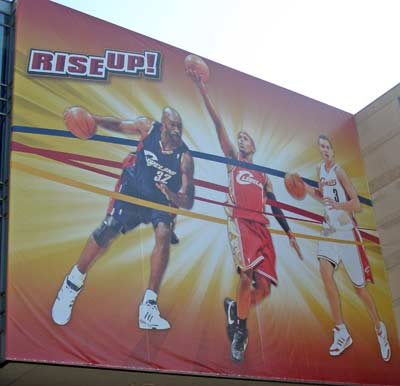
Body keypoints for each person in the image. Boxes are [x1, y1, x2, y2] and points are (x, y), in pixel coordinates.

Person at [188, 71, 303, 362]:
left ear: (253, 146)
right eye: (238, 137)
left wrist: (289, 233)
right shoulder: (233, 162)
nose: (240, 139)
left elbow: (275, 206)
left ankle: (234, 310)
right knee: (246, 275)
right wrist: (202, 89)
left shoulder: (263, 175)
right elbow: (218, 124)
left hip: (262, 227)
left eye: (245, 137)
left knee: (263, 290)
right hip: (240, 221)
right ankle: (241, 330)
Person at [52, 106, 195, 330]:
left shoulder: (184, 157)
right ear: (164, 125)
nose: (178, 130)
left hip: (160, 198)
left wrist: (171, 194)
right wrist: (93, 119)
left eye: (180, 126)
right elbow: (119, 124)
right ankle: (72, 283)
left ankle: (148, 307)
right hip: (132, 189)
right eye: (173, 126)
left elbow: (188, 200)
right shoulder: (148, 128)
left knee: (164, 234)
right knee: (107, 230)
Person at [303, 134, 390, 361]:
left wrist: (339, 205)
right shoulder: (319, 170)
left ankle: (379, 327)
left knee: (360, 289)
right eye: (321, 146)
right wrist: (304, 188)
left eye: (327, 146)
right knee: (325, 271)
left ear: (333, 150)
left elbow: (357, 204)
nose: (324, 150)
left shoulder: (339, 171)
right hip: (329, 230)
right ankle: (341, 330)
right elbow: (324, 198)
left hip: (347, 232)